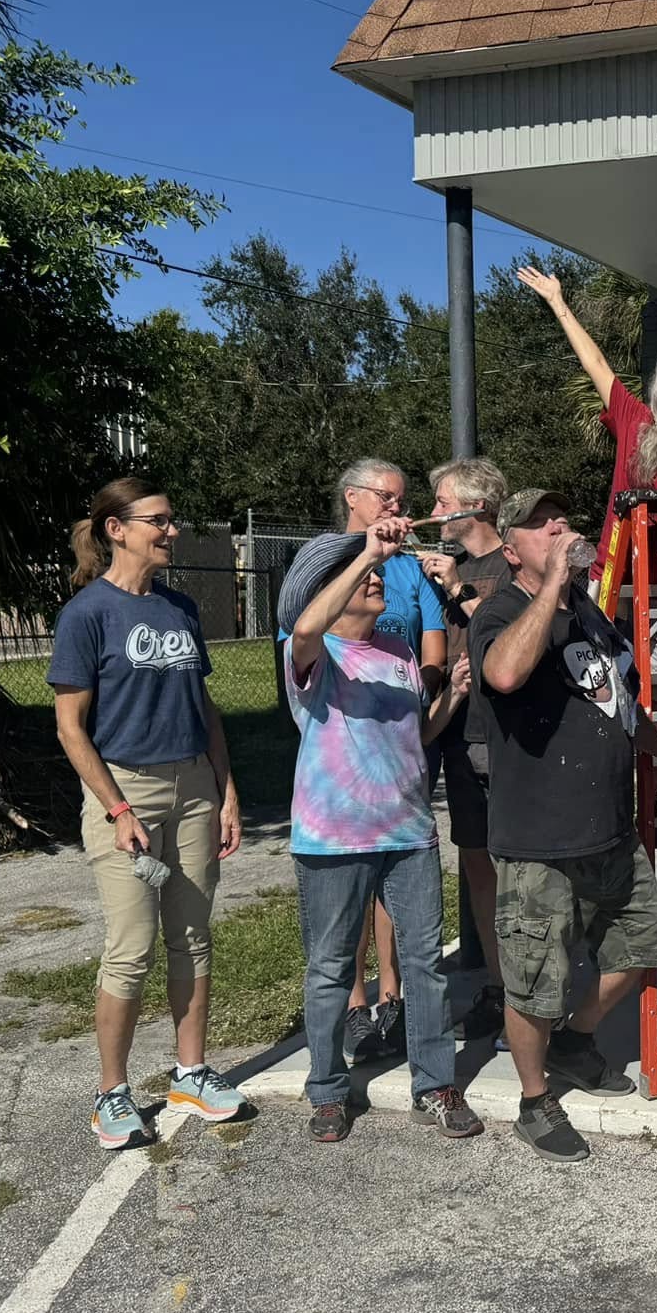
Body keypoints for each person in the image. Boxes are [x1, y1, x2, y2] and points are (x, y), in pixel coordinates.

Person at [469, 487, 657, 1164]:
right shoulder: (502, 609)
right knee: (533, 981)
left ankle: (577, 1043)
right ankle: (533, 1099)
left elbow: (616, 704)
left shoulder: (585, 610)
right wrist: (552, 581)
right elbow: (503, 671)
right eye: (538, 524)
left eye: (561, 517)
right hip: (538, 841)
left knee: (646, 940)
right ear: (510, 545)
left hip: (609, 830)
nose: (558, 526)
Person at [48, 478, 249, 1149]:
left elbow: (205, 710)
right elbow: (71, 728)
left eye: (172, 520)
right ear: (117, 529)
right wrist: (116, 808)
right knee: (130, 950)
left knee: (192, 937)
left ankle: (190, 1073)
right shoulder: (87, 614)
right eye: (158, 521)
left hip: (193, 784)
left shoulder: (181, 608)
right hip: (126, 791)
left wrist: (225, 792)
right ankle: (112, 1093)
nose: (172, 531)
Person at [278, 520, 479, 1143]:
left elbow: (410, 739)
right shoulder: (312, 652)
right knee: (332, 966)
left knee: (425, 965)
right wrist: (366, 548)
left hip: (408, 832)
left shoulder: (399, 656)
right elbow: (308, 625)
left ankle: (435, 1084)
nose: (374, 578)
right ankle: (328, 1091)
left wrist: (447, 703)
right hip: (334, 838)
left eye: (372, 571)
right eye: (361, 575)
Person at [515, 264, 657, 688]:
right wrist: (557, 301)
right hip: (614, 577)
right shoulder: (634, 421)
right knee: (602, 684)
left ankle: (654, 752)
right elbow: (596, 363)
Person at [329, 457, 448, 1065]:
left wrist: (423, 688)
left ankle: (393, 993)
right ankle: (354, 1003)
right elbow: (304, 635)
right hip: (343, 750)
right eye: (387, 497)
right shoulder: (330, 561)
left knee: (395, 881)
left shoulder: (406, 568)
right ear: (354, 498)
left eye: (402, 499)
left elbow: (432, 637)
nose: (398, 507)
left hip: (402, 742)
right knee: (350, 878)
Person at [415, 457, 513, 1045]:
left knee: (522, 869)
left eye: (441, 505)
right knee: (478, 865)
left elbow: (513, 633)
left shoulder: (514, 563)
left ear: (473, 507)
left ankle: (532, 990)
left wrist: (457, 589)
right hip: (459, 737)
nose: (433, 517)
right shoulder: (444, 570)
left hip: (509, 742)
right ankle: (500, 990)